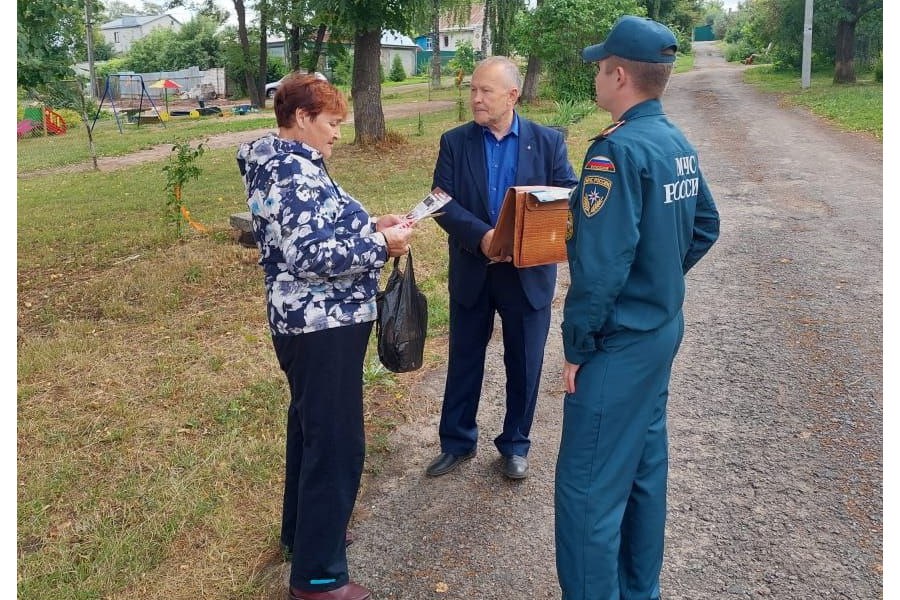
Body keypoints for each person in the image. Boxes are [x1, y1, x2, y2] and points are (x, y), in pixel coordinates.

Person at [554, 15, 720, 600]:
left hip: (619, 344)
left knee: (589, 489)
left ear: (620, 75)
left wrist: (577, 348)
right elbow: (705, 225)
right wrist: (658, 279)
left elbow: (599, 272)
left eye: (601, 68)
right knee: (645, 470)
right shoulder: (676, 142)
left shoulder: (615, 152)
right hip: (658, 331)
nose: (597, 77)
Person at [236, 74, 413, 600]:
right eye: (332, 122)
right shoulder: (291, 171)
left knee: (312, 430)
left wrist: (368, 225)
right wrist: (381, 244)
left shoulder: (292, 164)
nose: (338, 132)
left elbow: (319, 230)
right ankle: (318, 579)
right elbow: (310, 257)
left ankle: (306, 534)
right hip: (320, 324)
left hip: (316, 323)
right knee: (336, 443)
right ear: (302, 119)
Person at [426, 56, 579, 480]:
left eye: (485, 91)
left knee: (525, 362)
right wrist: (483, 236)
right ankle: (457, 442)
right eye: (473, 89)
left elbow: (566, 194)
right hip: (474, 270)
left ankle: (515, 444)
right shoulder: (455, 142)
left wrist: (533, 230)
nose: (476, 98)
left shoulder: (547, 142)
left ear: (512, 96)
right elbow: (441, 202)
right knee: (464, 360)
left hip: (527, 274)